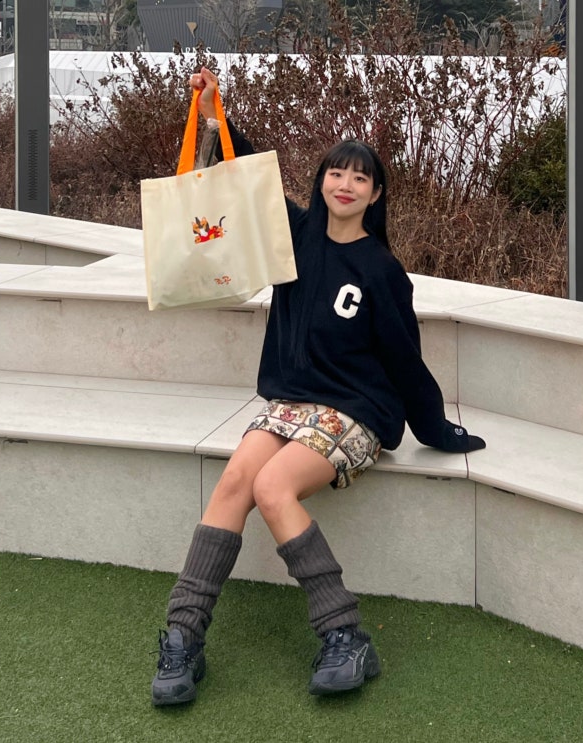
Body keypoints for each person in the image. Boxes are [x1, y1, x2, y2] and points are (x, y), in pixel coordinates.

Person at [151, 67, 486, 707]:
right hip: (290, 403)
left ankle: (344, 634)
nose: (345, 184)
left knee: (272, 486)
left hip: (357, 410)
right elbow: (249, 179)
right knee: (235, 479)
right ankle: (182, 637)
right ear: (322, 180)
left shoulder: (381, 271)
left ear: (375, 194)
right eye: (337, 172)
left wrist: (435, 428)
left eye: (360, 177)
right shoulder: (295, 235)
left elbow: (406, 360)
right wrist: (216, 117)